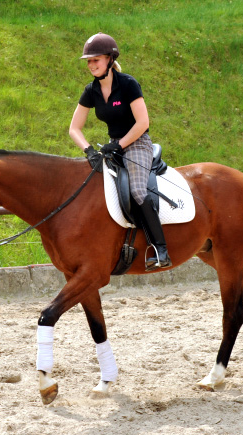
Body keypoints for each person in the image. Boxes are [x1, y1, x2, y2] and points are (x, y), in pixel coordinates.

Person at [69, 32, 172, 271]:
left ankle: (161, 249)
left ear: (109, 59)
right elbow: (74, 128)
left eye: (96, 60)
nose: (91, 65)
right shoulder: (91, 90)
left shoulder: (127, 84)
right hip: (112, 147)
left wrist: (119, 144)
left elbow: (142, 122)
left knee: (137, 190)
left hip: (136, 144)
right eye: (89, 61)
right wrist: (89, 150)